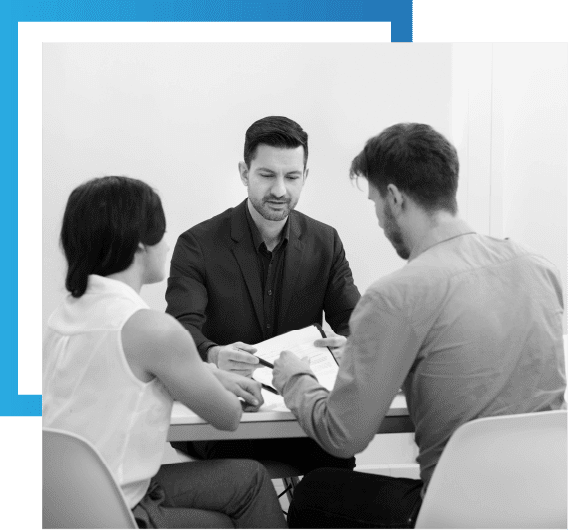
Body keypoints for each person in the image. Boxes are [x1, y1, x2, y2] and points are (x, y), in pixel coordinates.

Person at [272, 123, 567, 528]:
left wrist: (294, 378)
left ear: (394, 198)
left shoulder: (397, 296)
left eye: (375, 203)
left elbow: (344, 436)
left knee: (315, 492)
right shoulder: (539, 269)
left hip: (454, 514)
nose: (377, 218)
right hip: (547, 506)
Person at [42, 176, 287, 529]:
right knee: (247, 489)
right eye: (162, 233)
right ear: (141, 244)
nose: (168, 245)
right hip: (116, 512)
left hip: (61, 505)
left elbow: (119, 379)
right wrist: (207, 378)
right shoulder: (152, 329)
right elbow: (228, 417)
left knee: (247, 478)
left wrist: (204, 373)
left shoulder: (61, 319)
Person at [166, 116, 361, 471]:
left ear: (305, 175)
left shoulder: (325, 242)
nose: (280, 191)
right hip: (224, 418)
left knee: (337, 467)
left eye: (292, 177)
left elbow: (355, 323)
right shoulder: (197, 245)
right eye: (267, 175)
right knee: (246, 481)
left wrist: (354, 346)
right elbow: (179, 332)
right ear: (244, 173)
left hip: (298, 413)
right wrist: (212, 354)